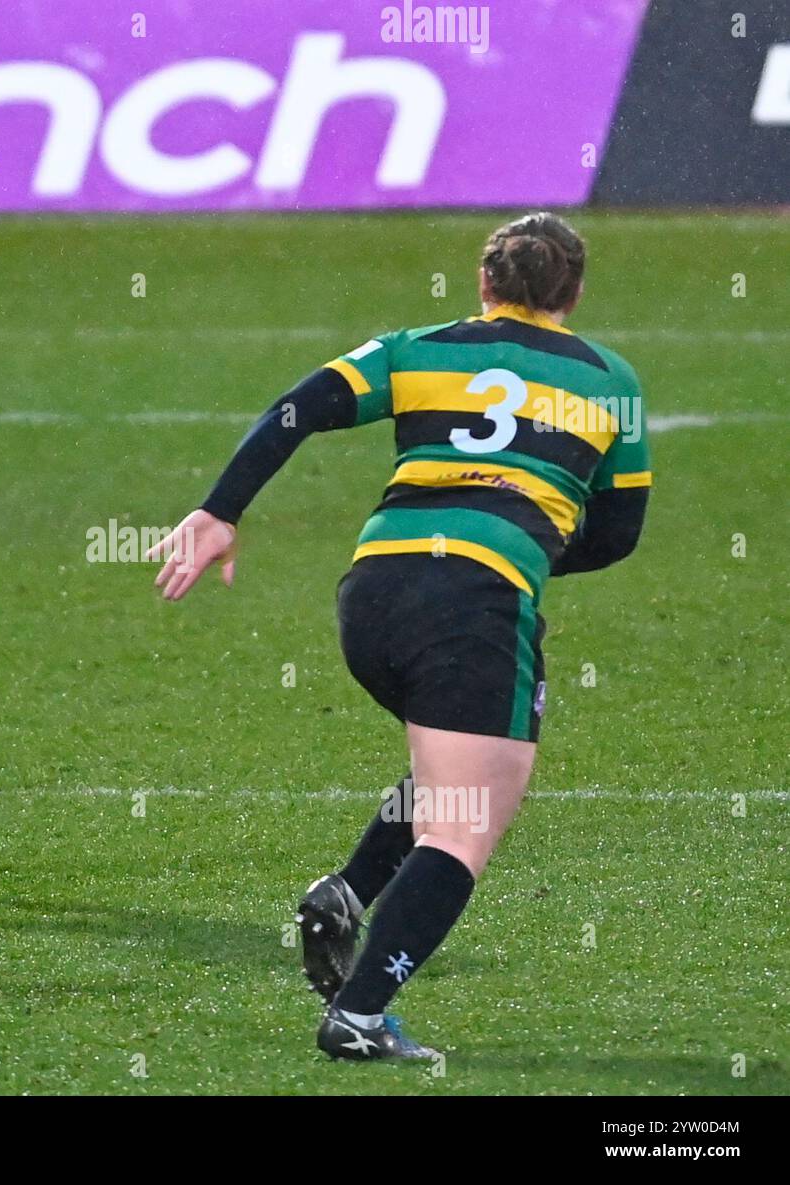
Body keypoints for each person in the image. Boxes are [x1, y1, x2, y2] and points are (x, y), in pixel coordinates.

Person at [146, 213, 651, 1059]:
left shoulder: (416, 347)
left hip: (373, 592)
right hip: (474, 603)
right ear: (574, 294)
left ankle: (346, 893)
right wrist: (521, 550)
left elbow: (295, 410)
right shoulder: (611, 380)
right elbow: (619, 532)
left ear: (484, 285)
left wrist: (220, 510)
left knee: (466, 765)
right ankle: (360, 1015)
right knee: (466, 820)